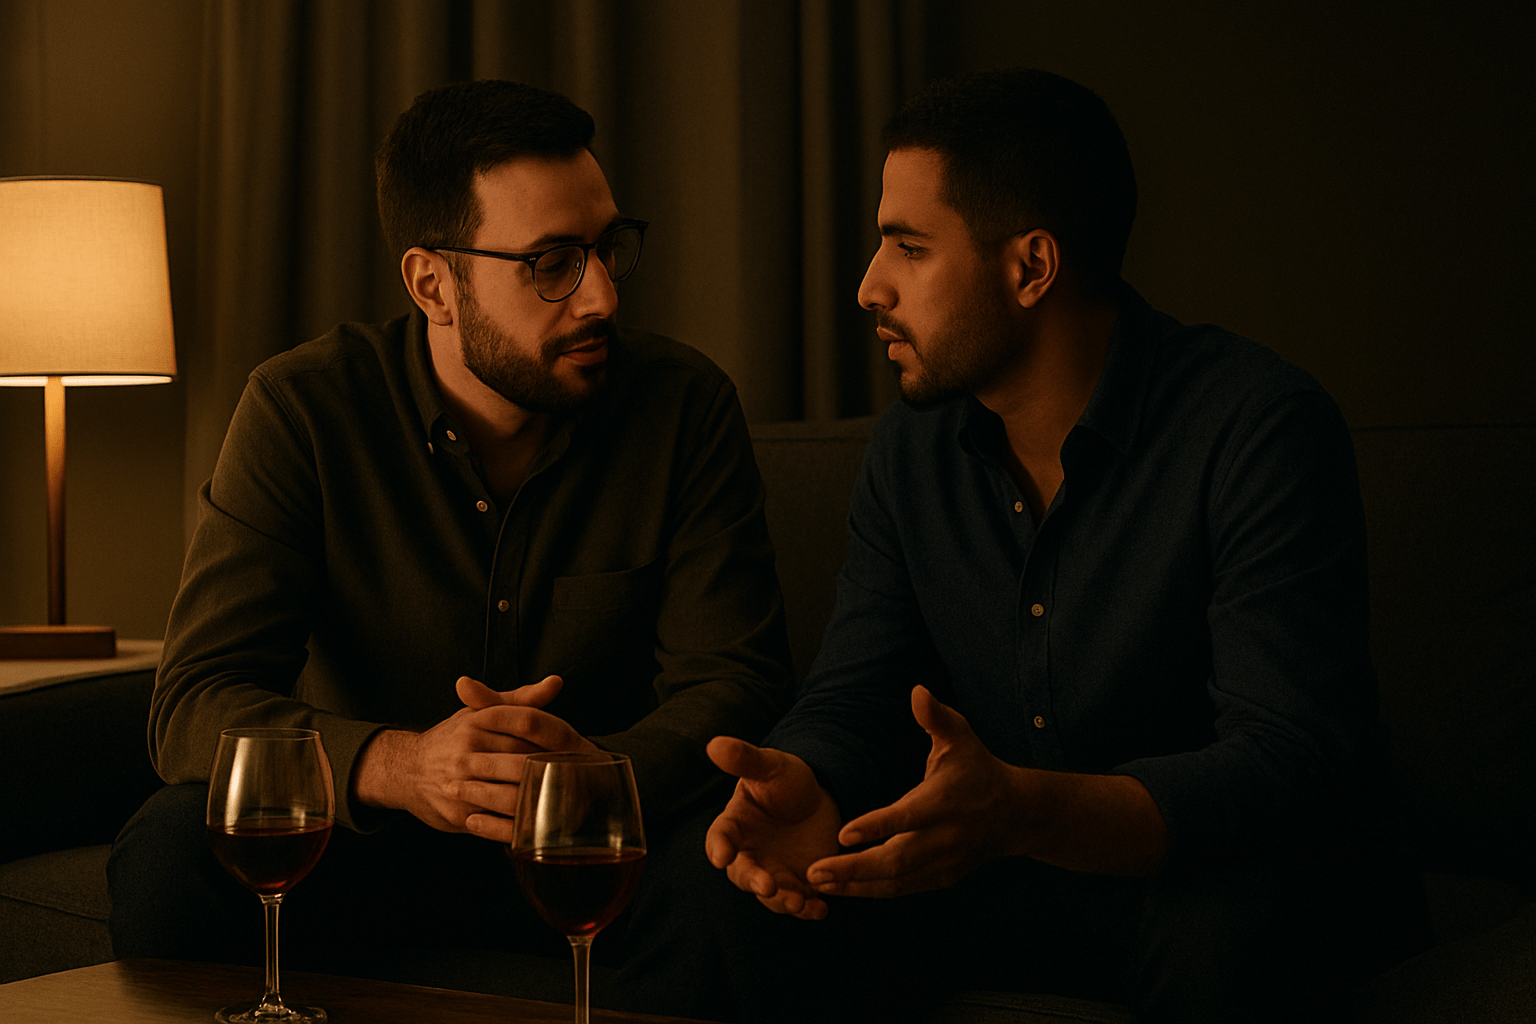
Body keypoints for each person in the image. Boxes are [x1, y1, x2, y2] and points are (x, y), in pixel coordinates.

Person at [702, 68, 1430, 1023]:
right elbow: (859, 689)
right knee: (749, 913)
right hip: (1011, 878)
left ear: (1031, 267)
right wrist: (807, 774)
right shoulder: (913, 449)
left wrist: (1029, 807)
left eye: (908, 248)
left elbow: (1284, 762)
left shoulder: (1258, 428)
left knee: (1228, 942)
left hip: (1229, 880)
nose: (868, 287)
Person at [108, 79, 795, 989]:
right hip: (367, 844)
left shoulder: (683, 406)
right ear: (434, 282)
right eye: (552, 263)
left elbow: (735, 681)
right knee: (166, 852)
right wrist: (403, 765)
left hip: (596, 841)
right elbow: (193, 698)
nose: (600, 299)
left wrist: (587, 778)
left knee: (745, 892)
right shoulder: (304, 409)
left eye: (606, 250)